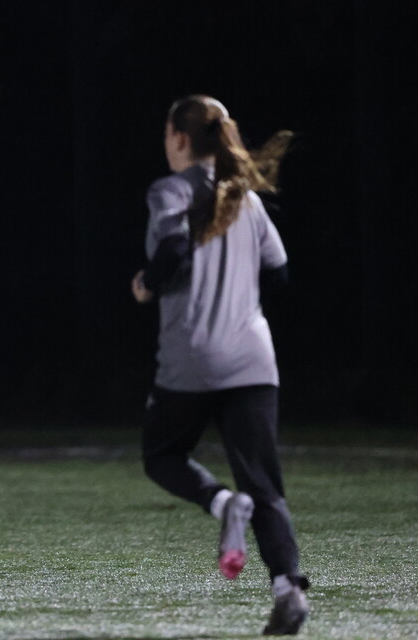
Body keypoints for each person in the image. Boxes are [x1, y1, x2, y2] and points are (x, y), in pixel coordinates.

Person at [131, 95, 309, 636]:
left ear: (180, 139)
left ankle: (221, 502)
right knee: (266, 484)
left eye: (167, 135)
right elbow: (278, 274)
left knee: (161, 455)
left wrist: (145, 284)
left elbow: (174, 252)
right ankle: (288, 589)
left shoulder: (170, 190)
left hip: (192, 358)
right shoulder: (247, 199)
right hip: (254, 359)